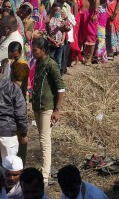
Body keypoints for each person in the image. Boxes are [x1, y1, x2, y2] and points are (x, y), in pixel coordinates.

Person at [30, 37, 65, 185]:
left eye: (35, 50)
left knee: (45, 140)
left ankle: (45, 175)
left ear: (43, 50)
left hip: (47, 107)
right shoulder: (38, 63)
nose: (32, 52)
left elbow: (61, 87)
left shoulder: (51, 64)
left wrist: (56, 109)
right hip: (38, 106)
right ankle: (45, 170)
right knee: (42, 138)